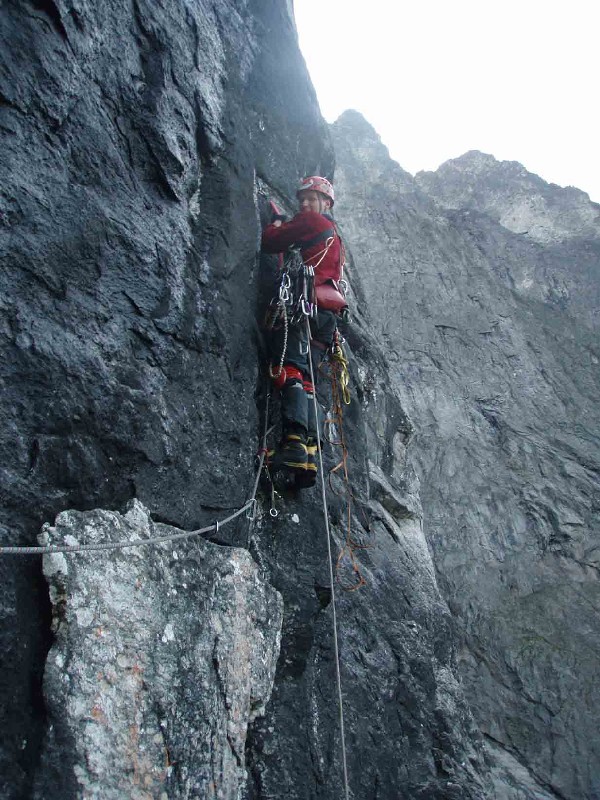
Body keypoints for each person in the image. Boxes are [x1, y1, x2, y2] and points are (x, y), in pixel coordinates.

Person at [261, 176, 347, 488]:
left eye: (312, 198)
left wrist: (277, 222)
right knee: (308, 379)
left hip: (303, 307)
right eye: (302, 200)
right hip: (325, 317)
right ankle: (309, 454)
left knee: (290, 368)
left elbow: (271, 241)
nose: (305, 204)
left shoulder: (311, 222)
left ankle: (294, 443)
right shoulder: (335, 238)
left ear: (326, 204)